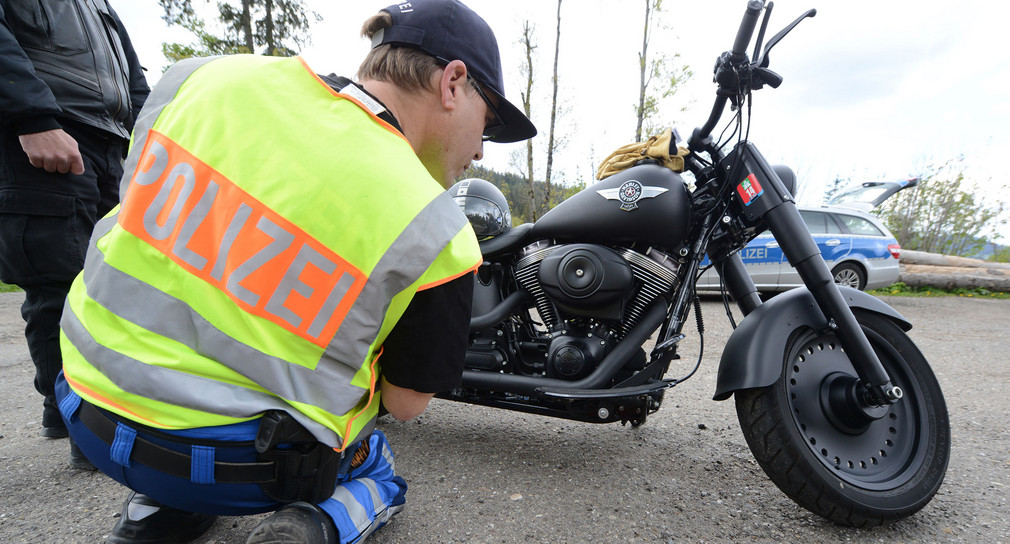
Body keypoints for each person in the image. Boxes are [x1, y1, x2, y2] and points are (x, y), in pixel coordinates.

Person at [55, 0, 536, 542]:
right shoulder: (438, 229)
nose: (478, 149)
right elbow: (406, 403)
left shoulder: (199, 78)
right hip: (245, 469)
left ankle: (156, 509)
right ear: (452, 83)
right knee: (374, 460)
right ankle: (311, 526)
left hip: (85, 407)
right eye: (487, 123)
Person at [0, 0, 150, 466]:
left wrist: (152, 133)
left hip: (106, 138)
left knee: (112, 277)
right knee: (59, 277)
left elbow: (131, 74)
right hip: (50, 129)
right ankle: (81, 424)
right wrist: (31, 117)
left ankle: (67, 408)